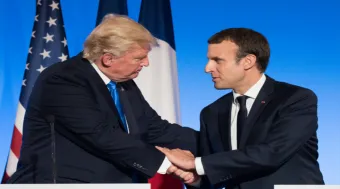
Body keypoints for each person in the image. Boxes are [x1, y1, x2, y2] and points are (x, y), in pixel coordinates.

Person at [7, 14, 198, 183]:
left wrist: (217, 142)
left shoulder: (123, 84)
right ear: (108, 59)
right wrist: (168, 163)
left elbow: (156, 129)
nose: (146, 63)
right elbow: (102, 135)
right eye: (139, 58)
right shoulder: (63, 79)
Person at [157, 28, 325, 189]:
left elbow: (273, 152)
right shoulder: (211, 113)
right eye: (209, 60)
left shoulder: (296, 98)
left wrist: (195, 163)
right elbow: (215, 173)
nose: (207, 68)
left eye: (217, 60)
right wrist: (193, 178)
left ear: (248, 61)